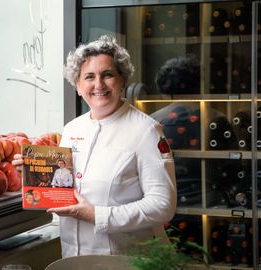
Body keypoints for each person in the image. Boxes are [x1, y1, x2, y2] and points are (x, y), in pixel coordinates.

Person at [12, 35, 176, 257]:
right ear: (78, 86)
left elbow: (163, 205)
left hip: (127, 260)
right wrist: (35, 174)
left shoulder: (146, 131)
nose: (98, 84)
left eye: (107, 74)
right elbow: (63, 192)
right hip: (73, 258)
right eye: (89, 77)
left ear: (122, 81)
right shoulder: (71, 130)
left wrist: (97, 216)